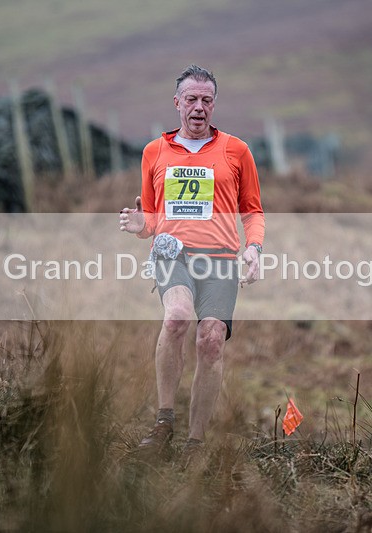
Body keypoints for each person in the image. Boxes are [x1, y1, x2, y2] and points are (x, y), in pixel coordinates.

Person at [119, 65, 265, 461]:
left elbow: (253, 211)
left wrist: (253, 249)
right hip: (172, 252)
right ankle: (163, 422)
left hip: (220, 258)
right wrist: (139, 225)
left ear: (214, 104)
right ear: (177, 103)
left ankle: (195, 443)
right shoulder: (155, 151)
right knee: (177, 317)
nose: (199, 107)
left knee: (212, 340)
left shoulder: (237, 151)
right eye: (191, 99)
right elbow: (151, 217)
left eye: (206, 100)